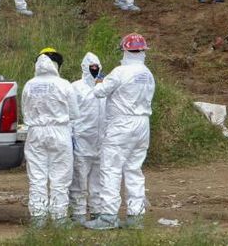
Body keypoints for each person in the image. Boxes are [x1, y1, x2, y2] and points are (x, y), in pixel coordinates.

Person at [85, 34, 155, 231]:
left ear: (125, 50)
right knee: (134, 170)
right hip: (142, 124)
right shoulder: (147, 73)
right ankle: (135, 216)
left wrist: (99, 79)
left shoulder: (120, 71)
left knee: (111, 168)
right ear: (143, 51)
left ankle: (108, 216)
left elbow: (99, 93)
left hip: (121, 124)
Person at [22, 48, 79, 228]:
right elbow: (74, 113)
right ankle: (59, 218)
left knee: (37, 176)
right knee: (60, 177)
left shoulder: (29, 85)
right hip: (60, 132)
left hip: (36, 133)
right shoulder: (64, 84)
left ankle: (38, 218)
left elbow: (25, 111)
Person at [69, 52, 106, 226]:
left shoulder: (104, 87)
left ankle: (97, 212)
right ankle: (78, 213)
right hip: (82, 141)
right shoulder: (76, 87)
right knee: (79, 179)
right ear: (84, 67)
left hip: (101, 142)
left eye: (96, 67)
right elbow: (69, 114)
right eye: (91, 67)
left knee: (98, 181)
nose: (94, 69)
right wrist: (71, 136)